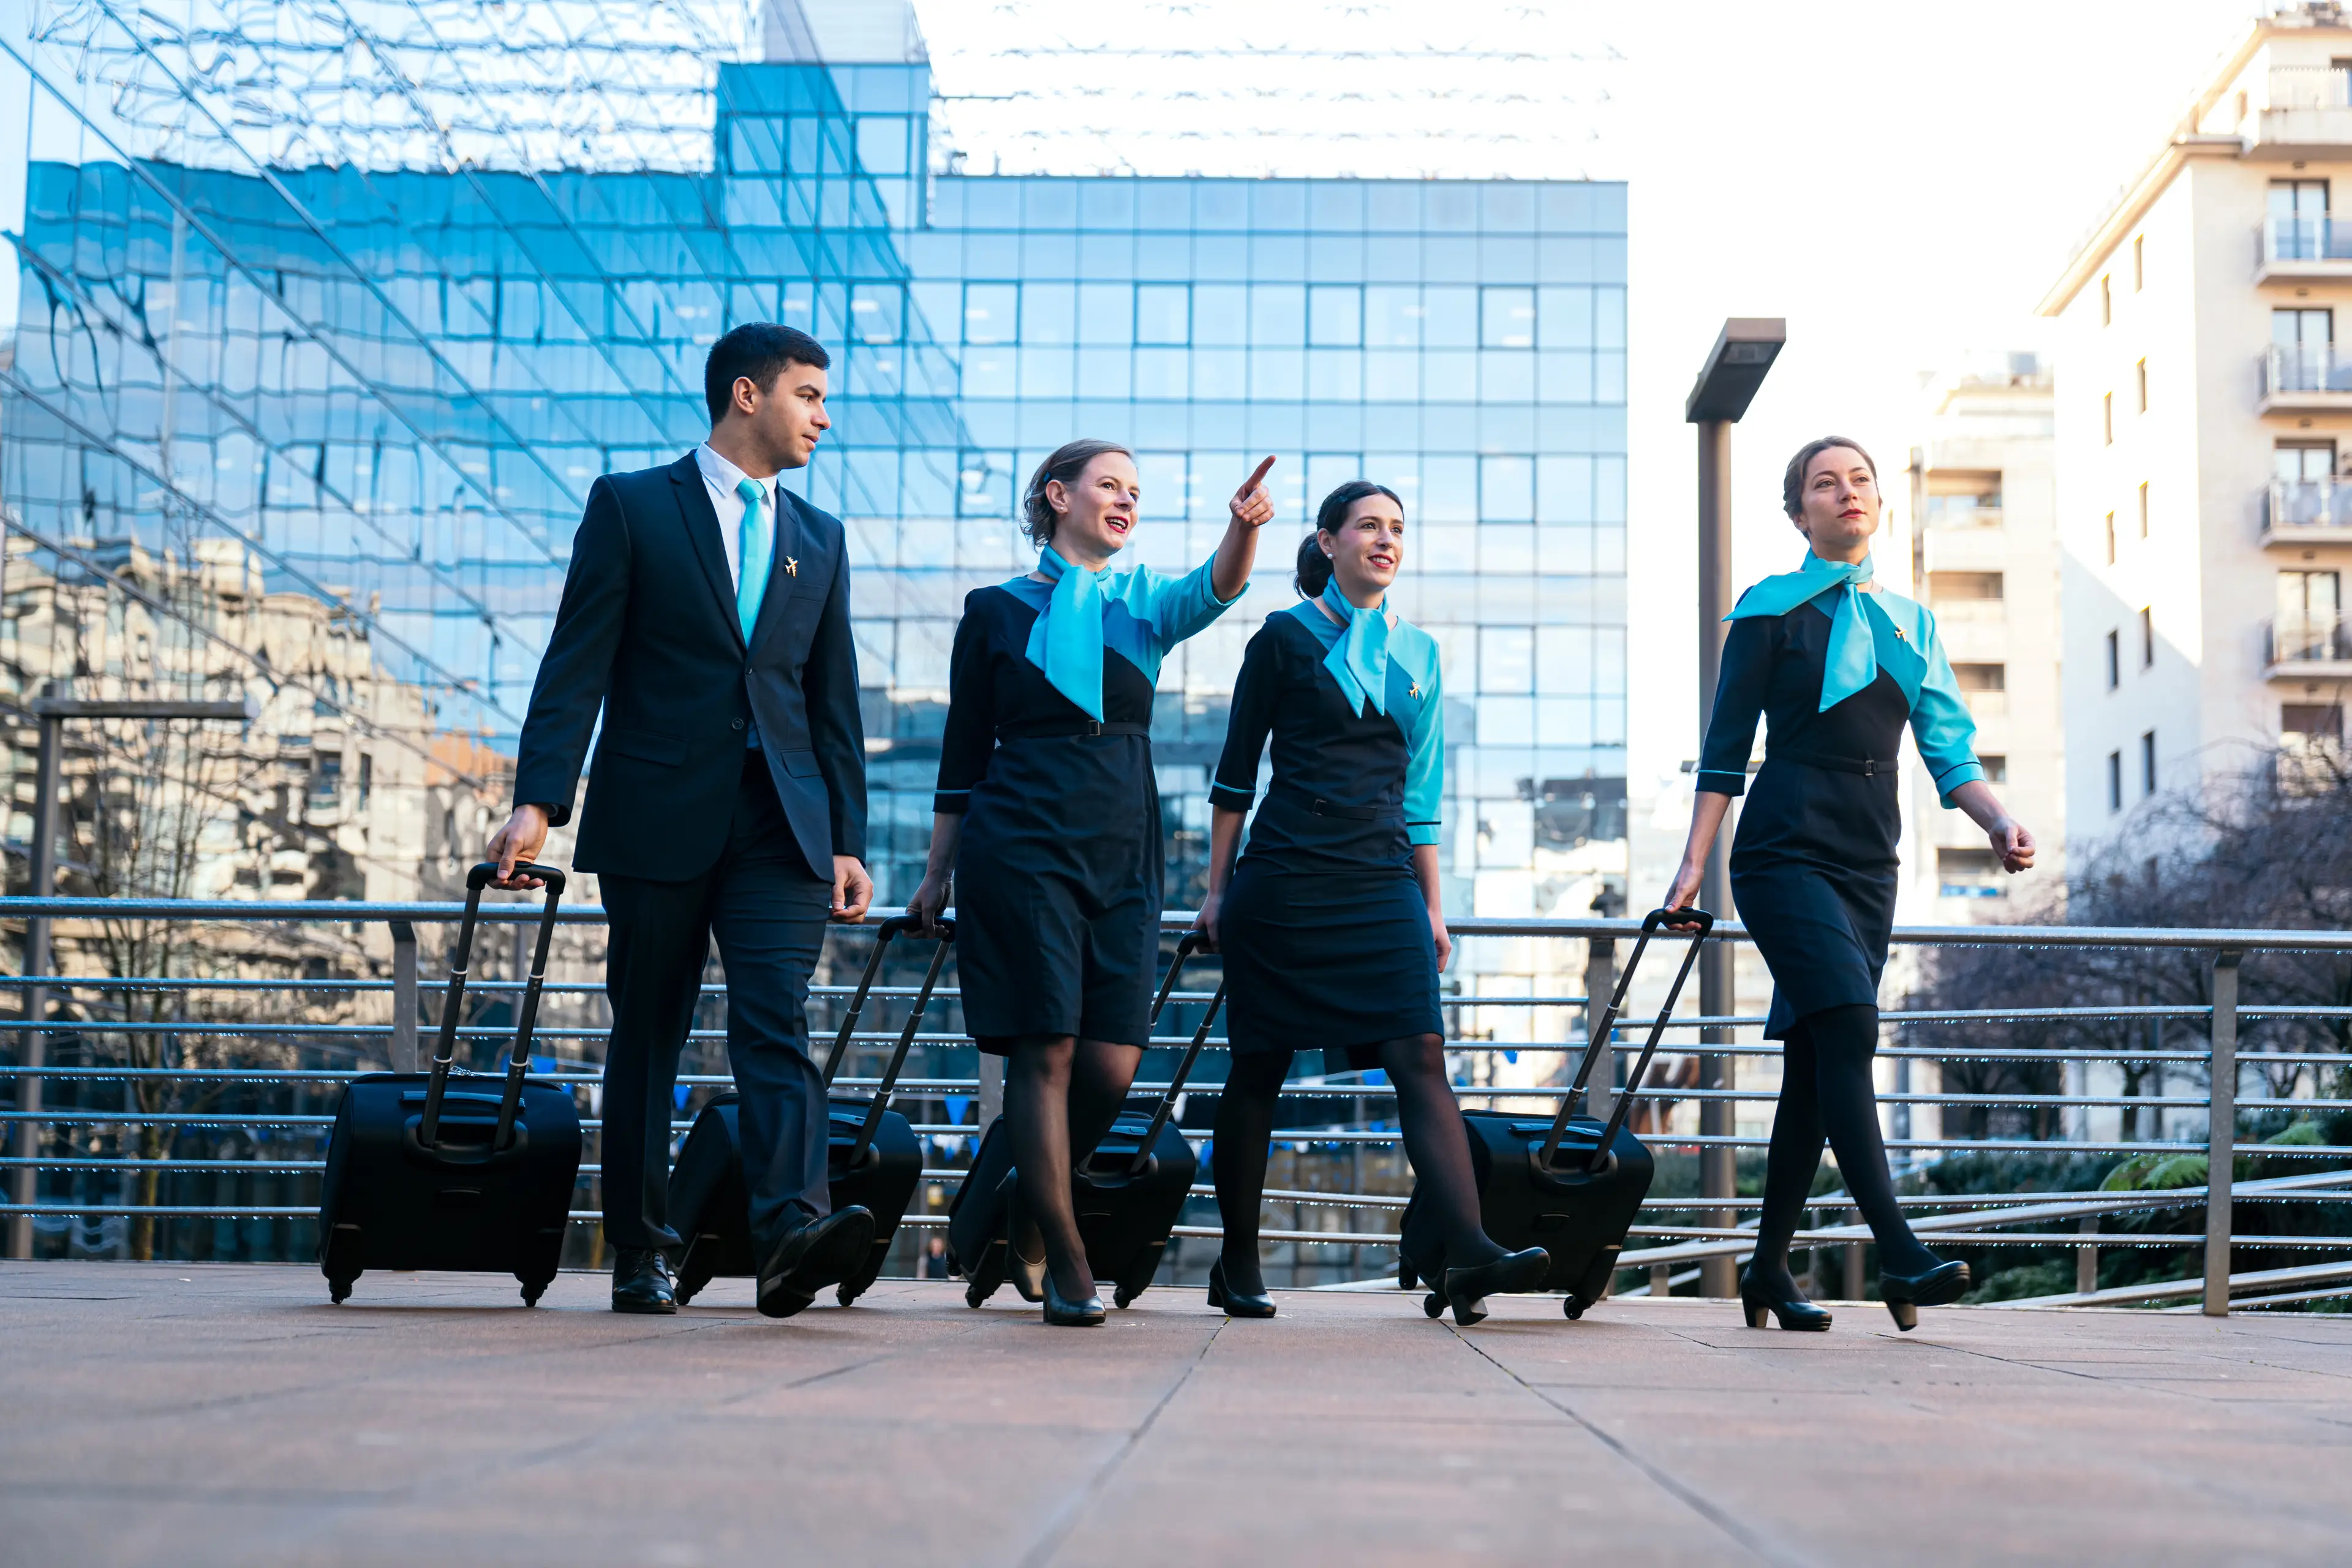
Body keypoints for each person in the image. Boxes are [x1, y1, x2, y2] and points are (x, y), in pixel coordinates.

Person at [489, 323, 876, 1319]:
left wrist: (847, 839)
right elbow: (576, 662)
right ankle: (639, 1249)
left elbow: (833, 701)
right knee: (650, 1031)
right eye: (809, 396)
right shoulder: (630, 507)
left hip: (781, 822)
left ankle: (791, 1231)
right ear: (746, 396)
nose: (824, 419)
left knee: (776, 1021)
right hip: (659, 808)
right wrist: (538, 803)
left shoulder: (820, 538)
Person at [1664, 435, 2035, 1333]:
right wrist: (1690, 868)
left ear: (1880, 503)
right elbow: (1724, 753)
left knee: (1812, 1067)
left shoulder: (1912, 623)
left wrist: (1995, 821)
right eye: (1823, 485)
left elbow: (1949, 747)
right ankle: (1898, 1250)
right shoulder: (1768, 611)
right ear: (1799, 513)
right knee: (1851, 1026)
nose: (1846, 493)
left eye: (1859, 480)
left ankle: (1766, 1272)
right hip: (1783, 848)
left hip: (1872, 863)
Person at [907, 441, 1273, 1327]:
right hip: (1021, 841)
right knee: (1048, 1049)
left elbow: (1214, 590)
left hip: (1121, 845)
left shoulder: (1139, 606)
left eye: (1136, 493)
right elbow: (961, 756)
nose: (1126, 502)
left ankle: (1019, 1204)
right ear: (1057, 495)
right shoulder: (993, 611)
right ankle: (1066, 1263)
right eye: (1110, 485)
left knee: (1113, 1061)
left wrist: (1241, 529)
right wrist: (935, 875)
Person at [1197, 481, 1549, 1327]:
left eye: (1397, 529)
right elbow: (1236, 775)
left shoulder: (1420, 653)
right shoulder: (1282, 639)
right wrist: (1215, 889)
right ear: (1327, 542)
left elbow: (1421, 794)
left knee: (1420, 1053)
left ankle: (1467, 1249)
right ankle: (1237, 1260)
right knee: (1259, 1066)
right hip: (1282, 880)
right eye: (1368, 527)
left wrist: (1432, 908)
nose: (1385, 540)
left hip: (1383, 880)